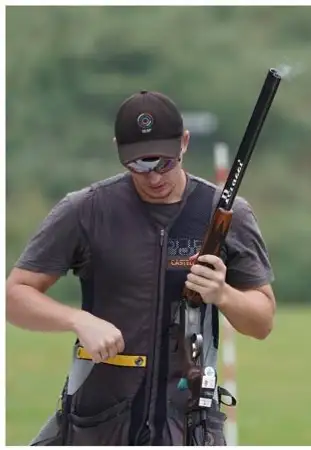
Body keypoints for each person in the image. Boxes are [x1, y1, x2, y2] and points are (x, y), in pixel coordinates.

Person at [6, 90, 277, 446]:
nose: (153, 177)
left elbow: (262, 322)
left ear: (184, 143)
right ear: (118, 149)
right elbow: (15, 295)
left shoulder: (228, 214)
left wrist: (223, 294)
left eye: (163, 162)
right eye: (138, 164)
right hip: (98, 425)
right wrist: (77, 320)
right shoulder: (85, 210)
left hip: (189, 426)